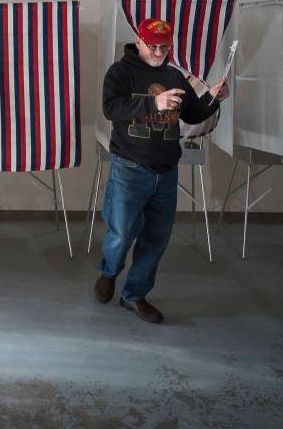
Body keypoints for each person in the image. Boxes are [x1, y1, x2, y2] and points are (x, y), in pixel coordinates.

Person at [94, 18, 230, 323]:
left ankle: (135, 294)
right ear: (139, 42)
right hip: (129, 166)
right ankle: (109, 271)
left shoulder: (174, 75)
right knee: (122, 230)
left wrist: (213, 98)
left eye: (164, 46)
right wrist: (154, 102)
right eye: (152, 46)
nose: (158, 51)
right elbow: (111, 109)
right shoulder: (120, 72)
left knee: (157, 237)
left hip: (166, 169)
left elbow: (193, 112)